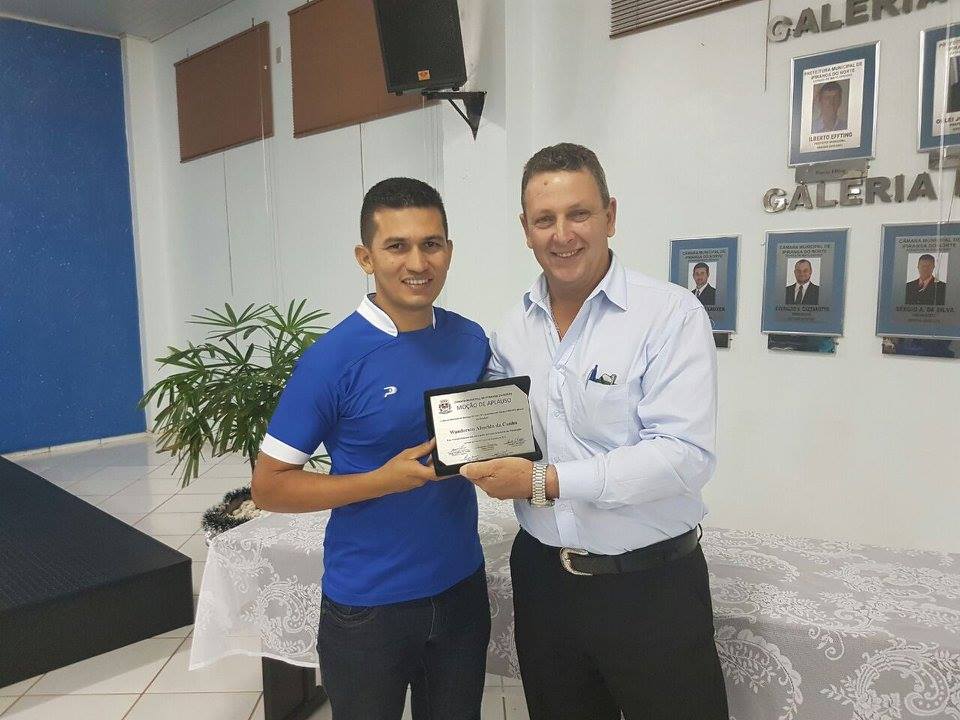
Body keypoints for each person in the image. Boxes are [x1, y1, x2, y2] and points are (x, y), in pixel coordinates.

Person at [460, 143, 728, 719]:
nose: (562, 235)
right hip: (543, 582)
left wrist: (544, 481)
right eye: (544, 219)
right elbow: (497, 425)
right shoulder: (513, 326)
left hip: (651, 585)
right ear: (525, 230)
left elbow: (683, 456)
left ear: (610, 215)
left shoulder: (671, 314)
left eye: (578, 214)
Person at [251, 177, 490, 720]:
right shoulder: (330, 360)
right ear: (366, 257)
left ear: (449, 251)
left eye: (431, 244)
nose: (417, 263)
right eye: (396, 246)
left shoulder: (471, 340)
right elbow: (268, 486)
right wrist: (382, 481)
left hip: (461, 589)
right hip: (369, 605)